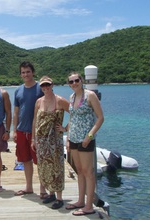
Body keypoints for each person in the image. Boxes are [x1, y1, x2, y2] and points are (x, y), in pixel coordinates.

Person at [65, 72, 104, 216]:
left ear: (81, 80)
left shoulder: (90, 96)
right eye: (71, 81)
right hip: (74, 139)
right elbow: (73, 118)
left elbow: (100, 118)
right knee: (79, 171)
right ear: (69, 84)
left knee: (88, 172)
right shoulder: (72, 97)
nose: (74, 83)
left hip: (86, 140)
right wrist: (68, 138)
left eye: (76, 80)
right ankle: (80, 201)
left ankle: (89, 206)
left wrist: (90, 136)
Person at [31, 76, 69, 209]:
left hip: (55, 141)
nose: (45, 88)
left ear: (52, 85)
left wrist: (65, 128)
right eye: (43, 86)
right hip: (41, 141)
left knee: (57, 166)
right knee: (44, 167)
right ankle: (51, 193)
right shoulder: (38, 102)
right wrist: (33, 139)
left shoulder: (60, 101)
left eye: (48, 85)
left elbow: (75, 114)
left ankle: (59, 198)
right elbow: (35, 121)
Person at [13, 61, 45, 197]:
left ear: (33, 72)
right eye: (23, 72)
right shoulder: (18, 90)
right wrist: (14, 130)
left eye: (28, 71)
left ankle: (43, 189)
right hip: (21, 131)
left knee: (40, 161)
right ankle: (29, 187)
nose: (26, 74)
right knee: (25, 160)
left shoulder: (41, 88)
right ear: (20, 74)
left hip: (37, 131)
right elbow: (16, 112)